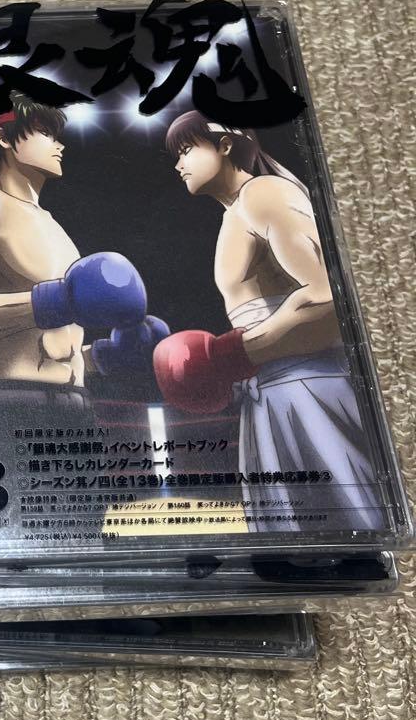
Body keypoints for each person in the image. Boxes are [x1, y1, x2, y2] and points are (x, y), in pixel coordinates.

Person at [153, 110, 384, 532]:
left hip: (305, 387)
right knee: (291, 538)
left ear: (225, 145)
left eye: (187, 149)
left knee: (348, 525)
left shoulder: (262, 194)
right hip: (272, 391)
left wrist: (229, 354)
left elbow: (327, 299)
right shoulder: (238, 211)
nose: (178, 164)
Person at [0, 91, 166, 445]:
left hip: (78, 408)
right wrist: (55, 301)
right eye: (45, 133)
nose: (60, 145)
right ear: (3, 137)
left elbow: (44, 344)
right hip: (5, 407)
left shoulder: (52, 226)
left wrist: (104, 356)